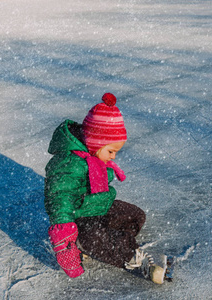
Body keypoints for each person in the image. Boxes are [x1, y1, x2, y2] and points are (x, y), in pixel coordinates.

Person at [44, 93, 155, 280]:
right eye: (111, 151)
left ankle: (113, 242)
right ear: (96, 143)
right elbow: (59, 196)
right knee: (94, 236)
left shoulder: (92, 157)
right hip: (78, 218)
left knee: (136, 216)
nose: (113, 157)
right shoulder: (70, 164)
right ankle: (117, 251)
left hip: (97, 208)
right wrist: (64, 231)